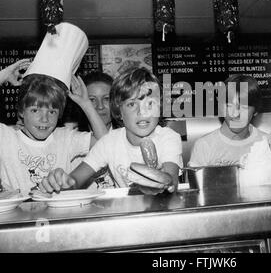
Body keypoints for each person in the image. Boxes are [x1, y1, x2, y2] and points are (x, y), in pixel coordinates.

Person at [0, 23, 107, 194]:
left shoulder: (64, 138)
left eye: (52, 111)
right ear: (21, 111)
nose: (45, 119)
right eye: (35, 110)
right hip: (19, 217)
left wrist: (86, 104)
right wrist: (2, 75)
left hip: (59, 215)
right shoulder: (6, 138)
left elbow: (106, 144)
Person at [39, 68, 183, 195]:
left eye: (150, 103)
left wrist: (161, 182)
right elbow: (75, 180)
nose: (142, 111)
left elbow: (171, 179)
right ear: (118, 111)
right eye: (132, 104)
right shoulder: (109, 142)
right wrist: (60, 180)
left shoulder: (168, 138)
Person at [188, 74, 268, 167]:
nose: (235, 114)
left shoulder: (267, 142)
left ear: (256, 111)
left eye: (244, 107)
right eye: (229, 105)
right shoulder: (204, 146)